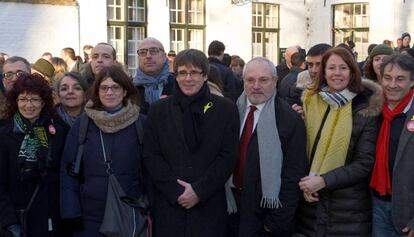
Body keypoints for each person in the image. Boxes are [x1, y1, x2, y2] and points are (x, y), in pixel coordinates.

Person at [143, 49, 239, 237]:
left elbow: (227, 157)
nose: (188, 79)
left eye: (194, 72)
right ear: (176, 76)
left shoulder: (226, 109)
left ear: (205, 76)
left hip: (209, 205)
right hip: (169, 205)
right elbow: (151, 155)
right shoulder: (159, 110)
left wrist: (199, 191)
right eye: (183, 73)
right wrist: (176, 191)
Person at [295, 47, 382, 236]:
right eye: (331, 68)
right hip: (310, 204)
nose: (337, 73)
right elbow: (304, 150)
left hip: (348, 210)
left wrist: (323, 180)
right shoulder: (312, 102)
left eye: (343, 68)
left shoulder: (365, 109)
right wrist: (306, 183)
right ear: (324, 73)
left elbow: (364, 163)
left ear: (352, 72)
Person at [227, 57, 308, 237]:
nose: (256, 86)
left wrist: (273, 225)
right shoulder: (230, 112)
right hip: (231, 209)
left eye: (263, 80)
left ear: (275, 81)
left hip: (267, 216)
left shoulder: (289, 120)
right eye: (250, 80)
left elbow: (293, 176)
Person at [60, 65, 145, 237]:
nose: (109, 93)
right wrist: (71, 212)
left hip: (129, 211)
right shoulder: (83, 123)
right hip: (89, 215)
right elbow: (67, 171)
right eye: (104, 88)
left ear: (125, 91)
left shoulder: (142, 123)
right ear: (97, 91)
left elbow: (153, 169)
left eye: (115, 87)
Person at [0, 73, 68, 236]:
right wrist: (9, 223)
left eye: (34, 99)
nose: (28, 105)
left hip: (51, 217)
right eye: (23, 99)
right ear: (16, 102)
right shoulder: (4, 133)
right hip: (16, 219)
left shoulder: (57, 131)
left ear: (43, 102)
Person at [370, 53, 414, 237]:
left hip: (408, 212)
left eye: (400, 79)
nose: (392, 84)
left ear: (412, 82)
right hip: (377, 204)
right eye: (387, 78)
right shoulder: (373, 110)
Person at [133, 37, 175, 115]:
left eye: (154, 51)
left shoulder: (179, 84)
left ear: (164, 56)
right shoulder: (129, 89)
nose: (148, 56)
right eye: (143, 52)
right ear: (138, 57)